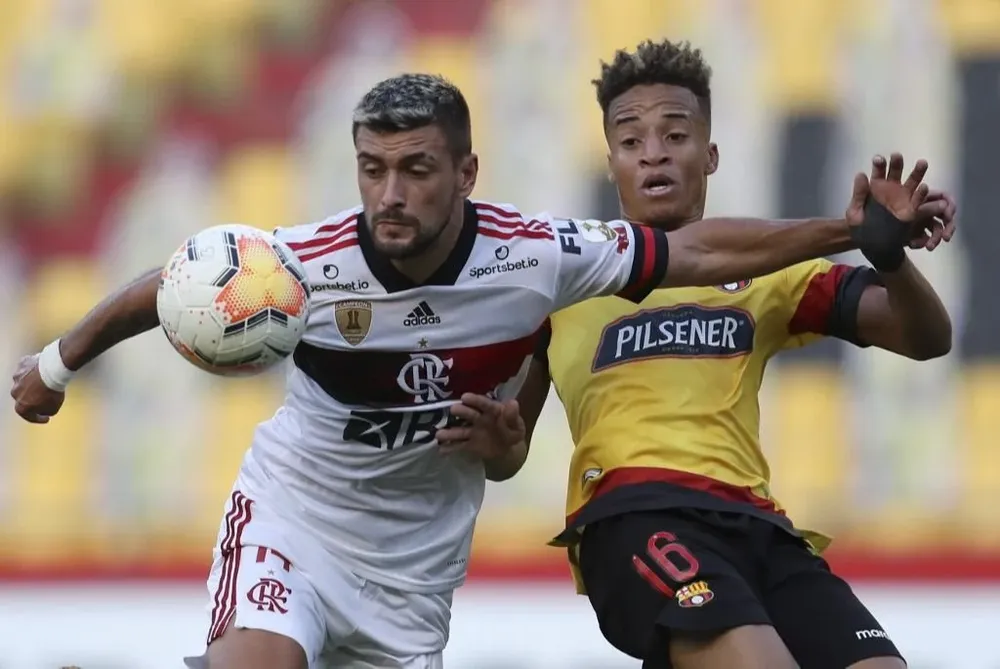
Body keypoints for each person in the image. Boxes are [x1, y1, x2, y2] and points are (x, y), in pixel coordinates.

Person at [10, 72, 946, 669]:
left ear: (466, 172)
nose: (388, 194)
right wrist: (55, 363)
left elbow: (691, 256)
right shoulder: (302, 263)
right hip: (300, 512)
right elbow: (168, 282)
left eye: (415, 168)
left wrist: (854, 236)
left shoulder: (538, 259)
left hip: (414, 568)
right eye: (371, 168)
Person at [436, 41, 957, 669]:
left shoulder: (769, 274)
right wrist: (498, 444)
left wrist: (890, 256)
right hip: (636, 518)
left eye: (674, 135)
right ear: (611, 165)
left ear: (709, 155)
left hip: (759, 526)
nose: (652, 151)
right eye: (631, 142)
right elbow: (508, 455)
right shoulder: (562, 284)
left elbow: (927, 339)